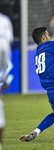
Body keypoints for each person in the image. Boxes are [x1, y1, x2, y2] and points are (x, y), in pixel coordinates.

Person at [0, 12, 14, 150]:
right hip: (4, 41)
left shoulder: (5, 18)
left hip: (3, 41)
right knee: (4, 64)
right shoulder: (5, 18)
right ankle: (3, 79)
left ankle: (3, 79)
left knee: (5, 64)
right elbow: (10, 34)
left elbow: (9, 34)